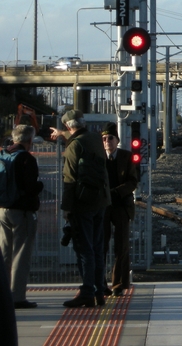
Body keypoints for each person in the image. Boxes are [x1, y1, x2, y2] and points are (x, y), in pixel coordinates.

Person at [52, 109, 110, 308]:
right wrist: (63, 134)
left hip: (82, 204)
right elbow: (79, 136)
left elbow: (69, 180)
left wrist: (66, 208)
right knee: (97, 248)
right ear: (82, 122)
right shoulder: (95, 139)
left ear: (68, 125)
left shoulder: (74, 146)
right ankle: (100, 291)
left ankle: (87, 292)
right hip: (101, 201)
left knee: (84, 249)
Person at [0, 125, 43, 309]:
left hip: (2, 210)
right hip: (22, 212)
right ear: (29, 140)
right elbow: (30, 188)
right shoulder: (27, 159)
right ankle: (17, 297)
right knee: (20, 255)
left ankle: (3, 295)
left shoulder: (3, 155)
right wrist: (39, 186)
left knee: (4, 254)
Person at [101, 122, 139, 296]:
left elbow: (132, 181)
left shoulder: (126, 156)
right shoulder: (98, 157)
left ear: (117, 140)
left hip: (121, 205)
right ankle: (100, 283)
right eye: (104, 139)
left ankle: (119, 284)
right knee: (100, 245)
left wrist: (116, 192)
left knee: (121, 246)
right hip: (102, 206)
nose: (107, 141)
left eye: (110, 138)